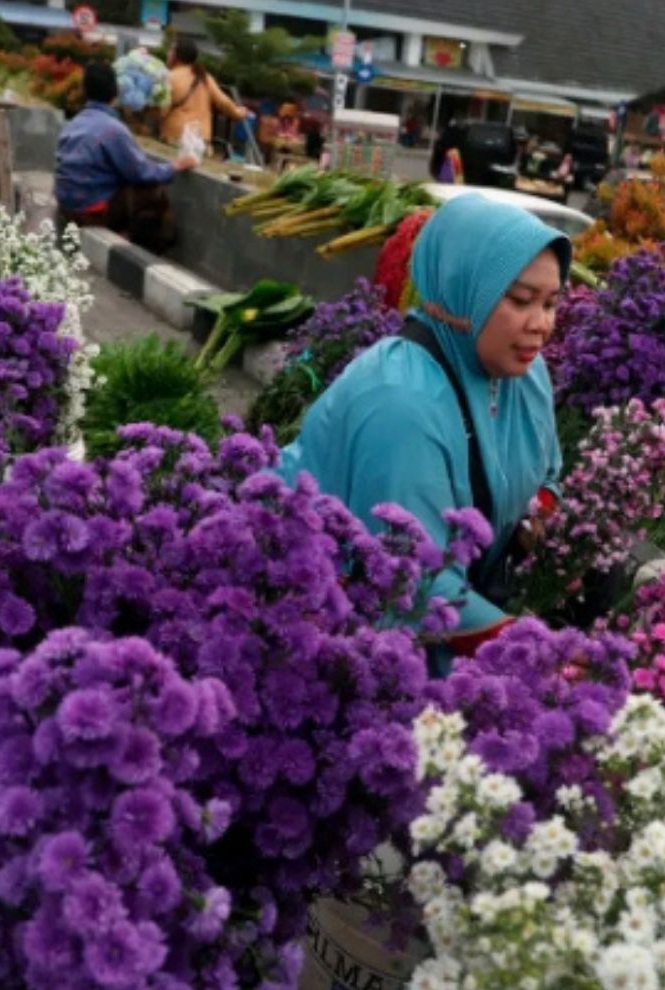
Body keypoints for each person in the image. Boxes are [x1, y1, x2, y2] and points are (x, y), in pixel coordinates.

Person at [275, 196, 571, 671]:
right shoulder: (401, 400)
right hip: (327, 633)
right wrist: (538, 656)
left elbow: (547, 470)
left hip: (455, 616)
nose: (542, 324)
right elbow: (408, 579)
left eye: (552, 303)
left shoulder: (523, 376)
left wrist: (539, 516)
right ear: (463, 291)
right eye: (520, 300)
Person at [56, 62, 196, 253]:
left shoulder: (73, 124)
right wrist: (175, 166)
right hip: (90, 211)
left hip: (66, 207)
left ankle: (123, 232)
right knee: (152, 192)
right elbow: (141, 173)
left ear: (85, 91)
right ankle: (140, 247)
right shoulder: (113, 130)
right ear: (115, 93)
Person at [160, 37, 248, 150]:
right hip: (201, 141)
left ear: (175, 55)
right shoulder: (205, 77)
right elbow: (223, 101)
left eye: (170, 50)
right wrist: (238, 112)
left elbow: (161, 112)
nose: (168, 53)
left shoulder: (170, 77)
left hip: (175, 137)